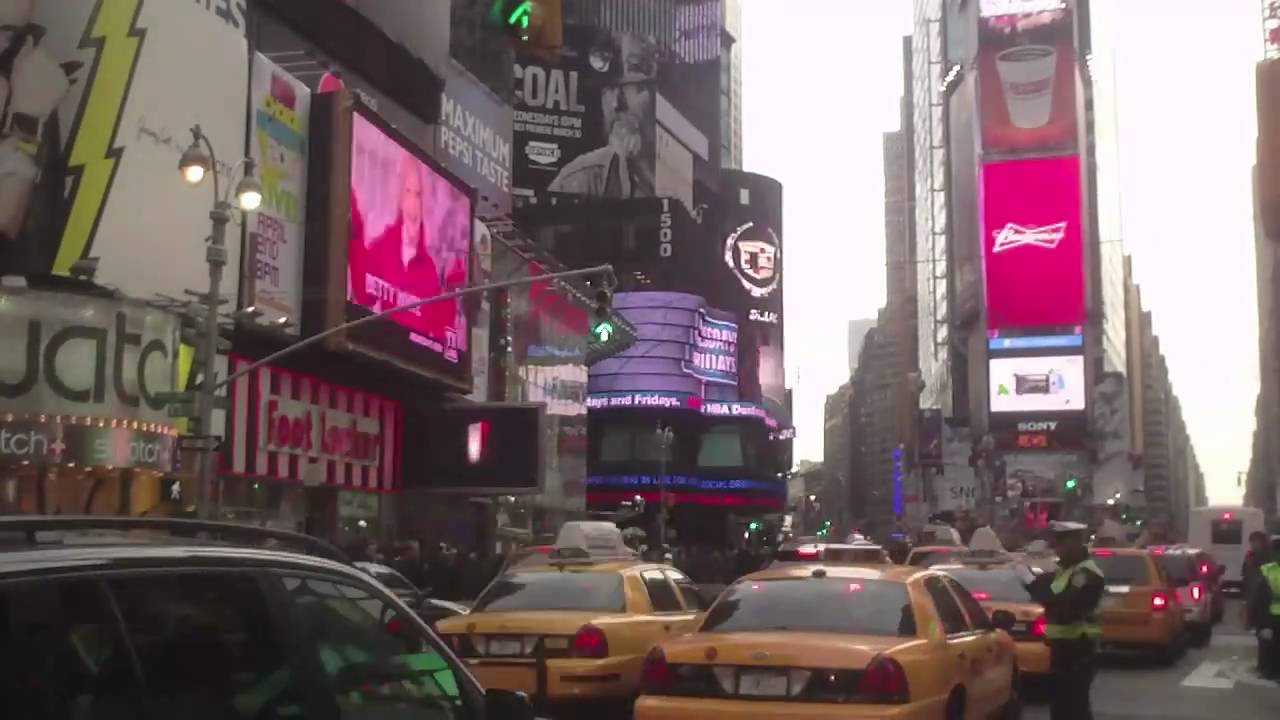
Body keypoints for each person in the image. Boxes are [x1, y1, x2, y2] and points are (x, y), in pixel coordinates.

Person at [348, 151, 454, 339]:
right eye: (408, 192)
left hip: (419, 362)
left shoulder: (429, 269)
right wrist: (355, 220)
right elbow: (363, 294)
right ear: (400, 198)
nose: (413, 203)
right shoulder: (383, 247)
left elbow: (441, 336)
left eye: (418, 194)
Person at [547, 33, 656, 198]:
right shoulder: (579, 181)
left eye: (631, 88)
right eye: (608, 91)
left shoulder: (694, 181)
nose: (615, 104)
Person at [1024, 521, 1104, 720]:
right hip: (1061, 649)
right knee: (1060, 706)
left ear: (1076, 542)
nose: (1057, 549)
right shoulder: (1065, 570)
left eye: (1062, 544)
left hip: (1078, 649)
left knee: (1075, 707)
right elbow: (1047, 591)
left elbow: (1065, 607)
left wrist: (1037, 589)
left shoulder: (1086, 574)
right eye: (1056, 544)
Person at [1250, 535, 1280, 680]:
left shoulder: (1267, 570)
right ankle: (1270, 671)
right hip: (1272, 618)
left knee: (1270, 648)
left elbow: (1259, 600)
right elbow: (1260, 600)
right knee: (1271, 648)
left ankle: (1269, 671)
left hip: (1271, 618)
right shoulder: (1267, 570)